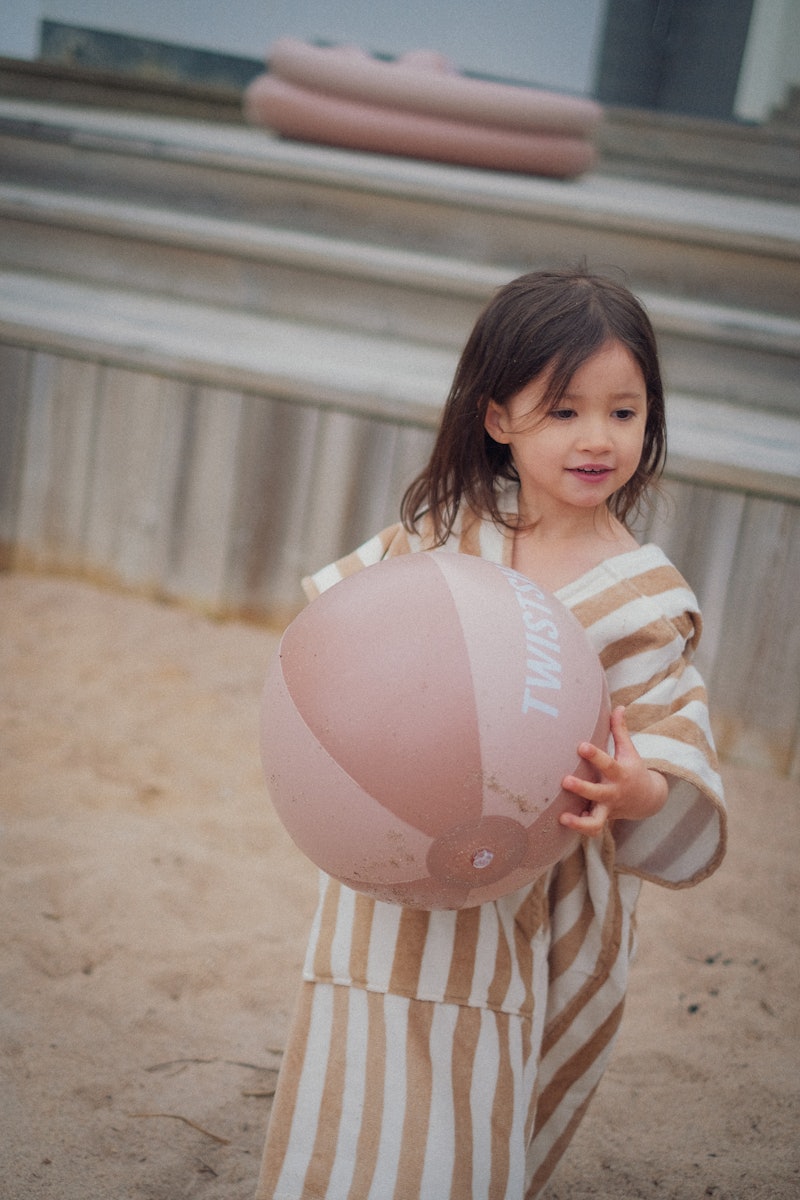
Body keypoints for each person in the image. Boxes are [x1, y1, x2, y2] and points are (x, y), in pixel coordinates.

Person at [255, 268, 727, 1200]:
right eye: (563, 411)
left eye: (624, 412)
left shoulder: (641, 594)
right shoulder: (446, 532)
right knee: (361, 1054)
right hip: (388, 868)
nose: (598, 438)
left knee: (468, 1084)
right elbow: (335, 632)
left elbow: (670, 737)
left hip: (521, 892)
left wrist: (637, 789)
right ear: (498, 416)